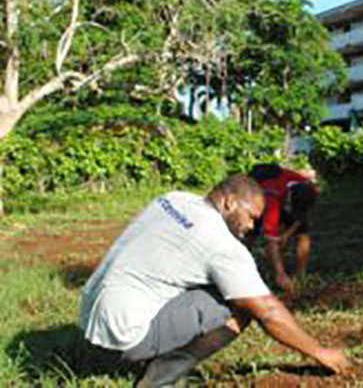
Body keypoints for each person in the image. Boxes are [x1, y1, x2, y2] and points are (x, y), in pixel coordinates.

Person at [78, 174, 347, 387]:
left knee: (218, 284)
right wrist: (318, 351)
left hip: (89, 314)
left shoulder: (174, 198)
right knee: (241, 305)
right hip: (123, 336)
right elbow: (268, 310)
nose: (252, 226)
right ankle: (160, 379)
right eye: (251, 216)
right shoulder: (222, 246)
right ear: (229, 202)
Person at [247, 163, 318, 295]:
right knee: (252, 235)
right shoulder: (271, 199)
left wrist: (287, 234)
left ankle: (300, 275)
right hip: (257, 197)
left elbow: (302, 215)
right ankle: (244, 269)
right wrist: (280, 274)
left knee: (303, 234)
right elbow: (271, 241)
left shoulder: (306, 187)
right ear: (288, 199)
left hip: (283, 195)